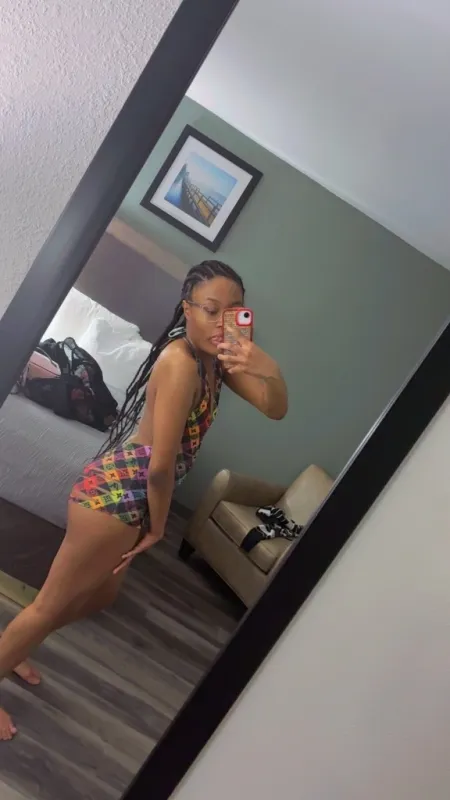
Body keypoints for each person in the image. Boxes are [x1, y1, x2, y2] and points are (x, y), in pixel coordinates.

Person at [0, 259, 288, 739]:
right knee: (50, 604)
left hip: (128, 500)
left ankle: (13, 647)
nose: (221, 323)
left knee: (101, 594)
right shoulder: (180, 364)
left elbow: (274, 409)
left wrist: (269, 370)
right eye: (211, 310)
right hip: (115, 499)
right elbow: (159, 465)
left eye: (233, 311)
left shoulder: (215, 362)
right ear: (187, 309)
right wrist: (157, 527)